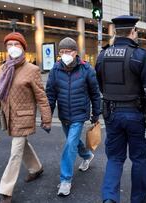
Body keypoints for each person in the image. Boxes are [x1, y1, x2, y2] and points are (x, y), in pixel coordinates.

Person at [95, 15, 146, 203]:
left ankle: (109, 199)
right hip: (135, 114)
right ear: (133, 31)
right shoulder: (139, 55)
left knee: (115, 158)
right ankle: (139, 199)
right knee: (139, 158)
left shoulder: (103, 55)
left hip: (111, 114)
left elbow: (100, 85)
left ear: (115, 32)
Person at [0, 32, 52, 203]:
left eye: (16, 44)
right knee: (22, 146)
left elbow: (41, 97)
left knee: (15, 152)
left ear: (23, 48)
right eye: (9, 45)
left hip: (24, 117)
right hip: (9, 117)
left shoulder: (32, 70)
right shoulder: (2, 69)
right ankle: (36, 168)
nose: (13, 48)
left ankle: (6, 190)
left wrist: (47, 119)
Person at [45, 37, 101, 196]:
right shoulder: (55, 69)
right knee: (74, 142)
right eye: (61, 52)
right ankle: (87, 155)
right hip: (64, 114)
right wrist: (47, 114)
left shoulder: (86, 69)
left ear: (75, 52)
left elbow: (95, 94)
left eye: (67, 52)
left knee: (70, 144)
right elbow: (50, 94)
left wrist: (96, 113)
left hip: (79, 114)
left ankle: (65, 180)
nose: (64, 55)